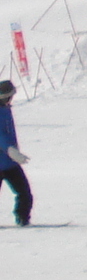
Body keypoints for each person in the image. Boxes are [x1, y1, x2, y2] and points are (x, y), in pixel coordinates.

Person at [0, 81, 31, 226]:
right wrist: (10, 150)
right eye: (9, 97)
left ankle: (22, 218)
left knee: (24, 193)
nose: (11, 100)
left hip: (10, 163)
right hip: (4, 160)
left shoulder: (6, 109)